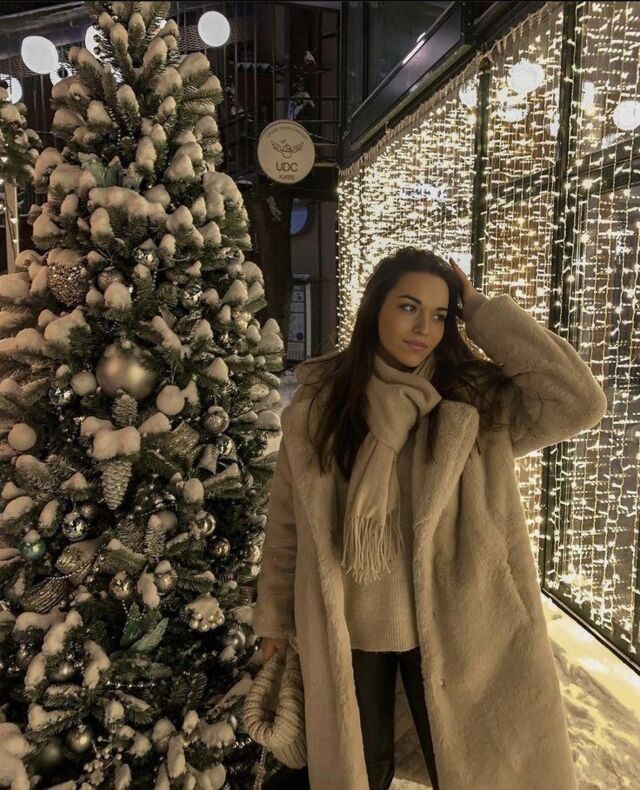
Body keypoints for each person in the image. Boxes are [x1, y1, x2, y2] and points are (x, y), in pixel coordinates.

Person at [253, 246, 607, 790]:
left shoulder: (475, 402)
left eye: (440, 315)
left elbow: (578, 402)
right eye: (408, 307)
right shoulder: (322, 406)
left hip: (456, 625)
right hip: (349, 631)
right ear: (375, 308)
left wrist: (482, 312)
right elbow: (287, 528)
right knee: (362, 772)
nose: (424, 328)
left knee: (467, 771)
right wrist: (275, 623)